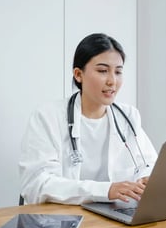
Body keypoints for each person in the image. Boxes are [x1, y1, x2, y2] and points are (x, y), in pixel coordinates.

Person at [19, 33, 157, 205]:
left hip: (113, 214)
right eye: (102, 71)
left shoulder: (128, 116)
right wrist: (105, 190)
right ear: (78, 74)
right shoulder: (48, 117)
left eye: (118, 72)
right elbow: (37, 185)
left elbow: (148, 163)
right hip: (60, 220)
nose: (112, 81)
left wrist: (146, 178)